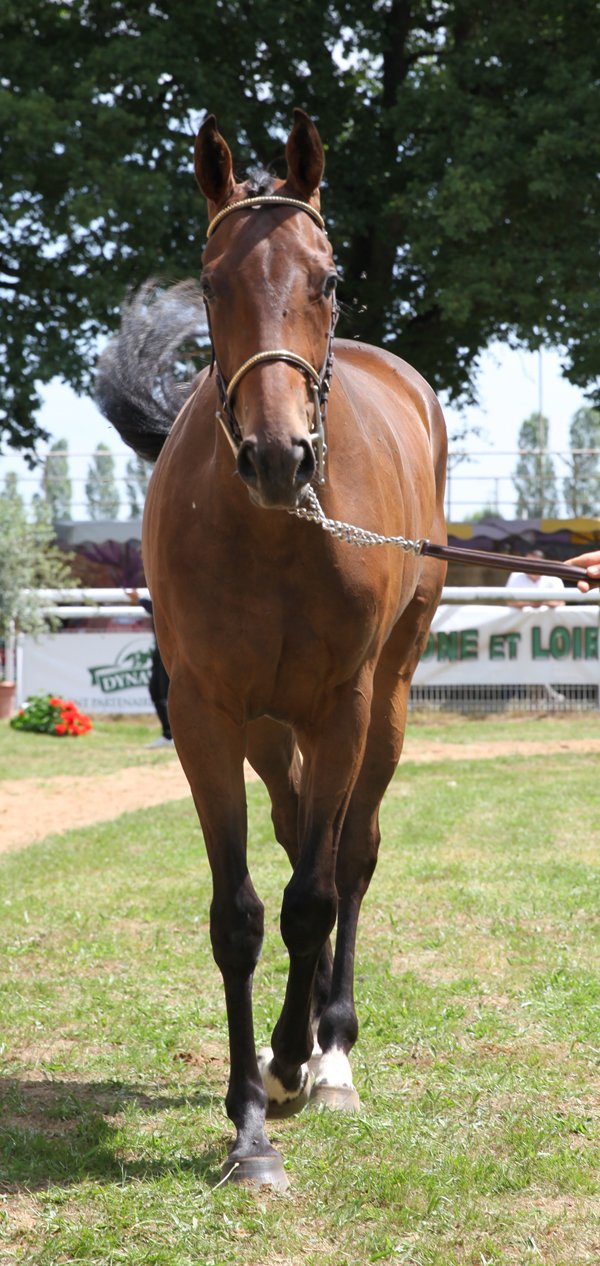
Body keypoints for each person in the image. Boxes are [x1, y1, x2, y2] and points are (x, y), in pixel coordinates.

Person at [127, 589, 173, 748]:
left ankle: (171, 734)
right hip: (161, 651)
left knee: (162, 694)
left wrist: (139, 599)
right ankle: (169, 734)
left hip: (168, 651)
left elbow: (157, 608)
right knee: (157, 692)